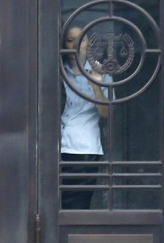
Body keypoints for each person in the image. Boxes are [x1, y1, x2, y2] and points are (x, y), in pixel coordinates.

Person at [60, 26, 110, 209]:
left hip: (83, 151)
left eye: (81, 40)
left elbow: (106, 113)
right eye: (70, 40)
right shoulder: (58, 71)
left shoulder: (101, 73)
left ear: (88, 45)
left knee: (76, 207)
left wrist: (96, 85)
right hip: (53, 149)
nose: (75, 45)